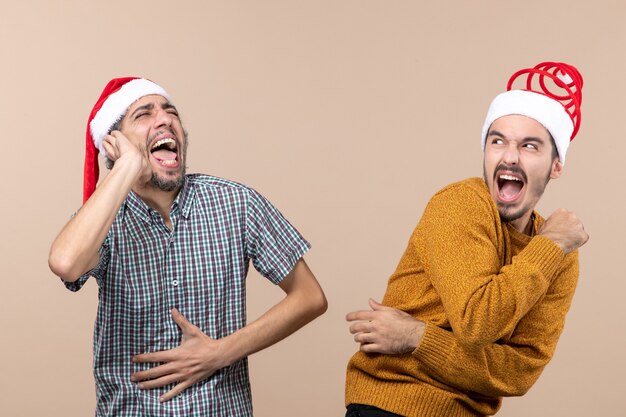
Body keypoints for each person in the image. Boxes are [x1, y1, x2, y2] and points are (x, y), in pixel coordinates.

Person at [48, 77, 327, 416]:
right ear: (114, 143)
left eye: (171, 112)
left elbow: (310, 297)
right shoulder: (104, 220)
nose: (165, 119)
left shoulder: (235, 202)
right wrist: (127, 168)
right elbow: (65, 262)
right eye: (144, 114)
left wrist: (221, 352)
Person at [344, 62, 588, 417]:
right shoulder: (461, 204)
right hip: (393, 404)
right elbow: (478, 323)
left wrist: (415, 337)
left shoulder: (558, 251)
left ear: (556, 166)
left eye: (530, 146)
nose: (509, 156)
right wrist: (548, 247)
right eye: (497, 140)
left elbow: (519, 373)